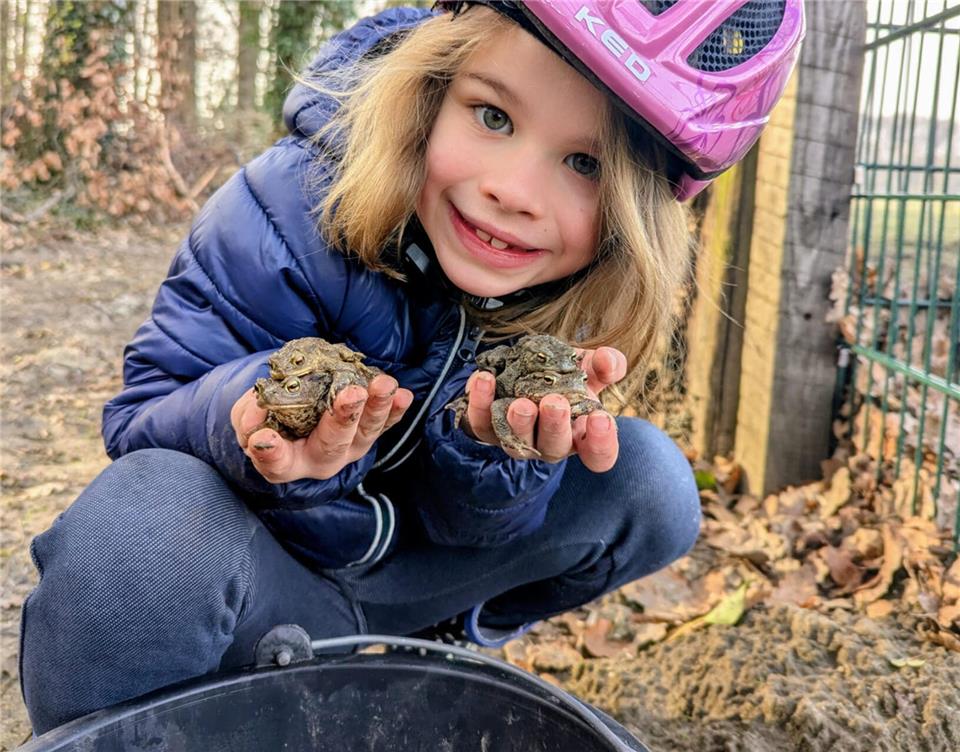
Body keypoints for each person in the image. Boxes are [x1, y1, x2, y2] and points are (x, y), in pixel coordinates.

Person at [19, 0, 804, 735]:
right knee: (136, 533)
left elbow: (476, 527)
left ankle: (438, 655)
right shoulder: (284, 210)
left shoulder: (578, 280)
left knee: (651, 484)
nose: (511, 190)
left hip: (417, 584)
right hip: (261, 584)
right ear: (430, 87)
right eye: (493, 115)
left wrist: (493, 450)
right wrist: (254, 420)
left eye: (585, 164)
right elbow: (138, 419)